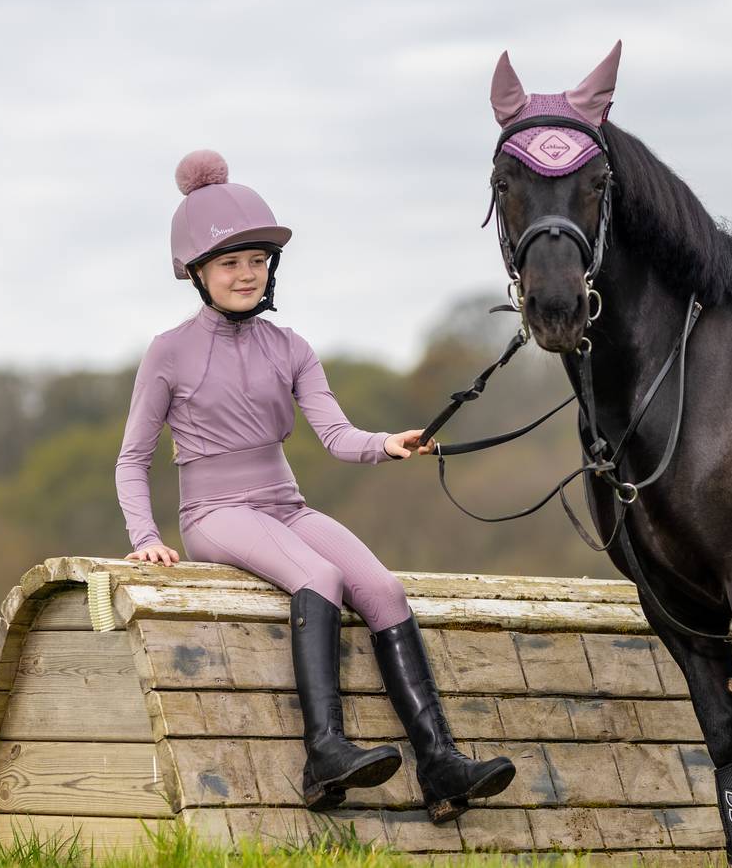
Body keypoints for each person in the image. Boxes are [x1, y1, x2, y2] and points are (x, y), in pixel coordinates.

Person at [114, 149, 514, 824]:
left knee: (384, 588)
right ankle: (324, 750)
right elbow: (132, 458)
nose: (247, 273)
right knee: (320, 576)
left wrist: (388, 443)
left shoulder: (292, 346)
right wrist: (146, 536)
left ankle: (441, 764)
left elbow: (335, 435)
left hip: (283, 501)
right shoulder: (169, 351)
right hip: (215, 510)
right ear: (197, 273)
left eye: (257, 260)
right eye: (230, 263)